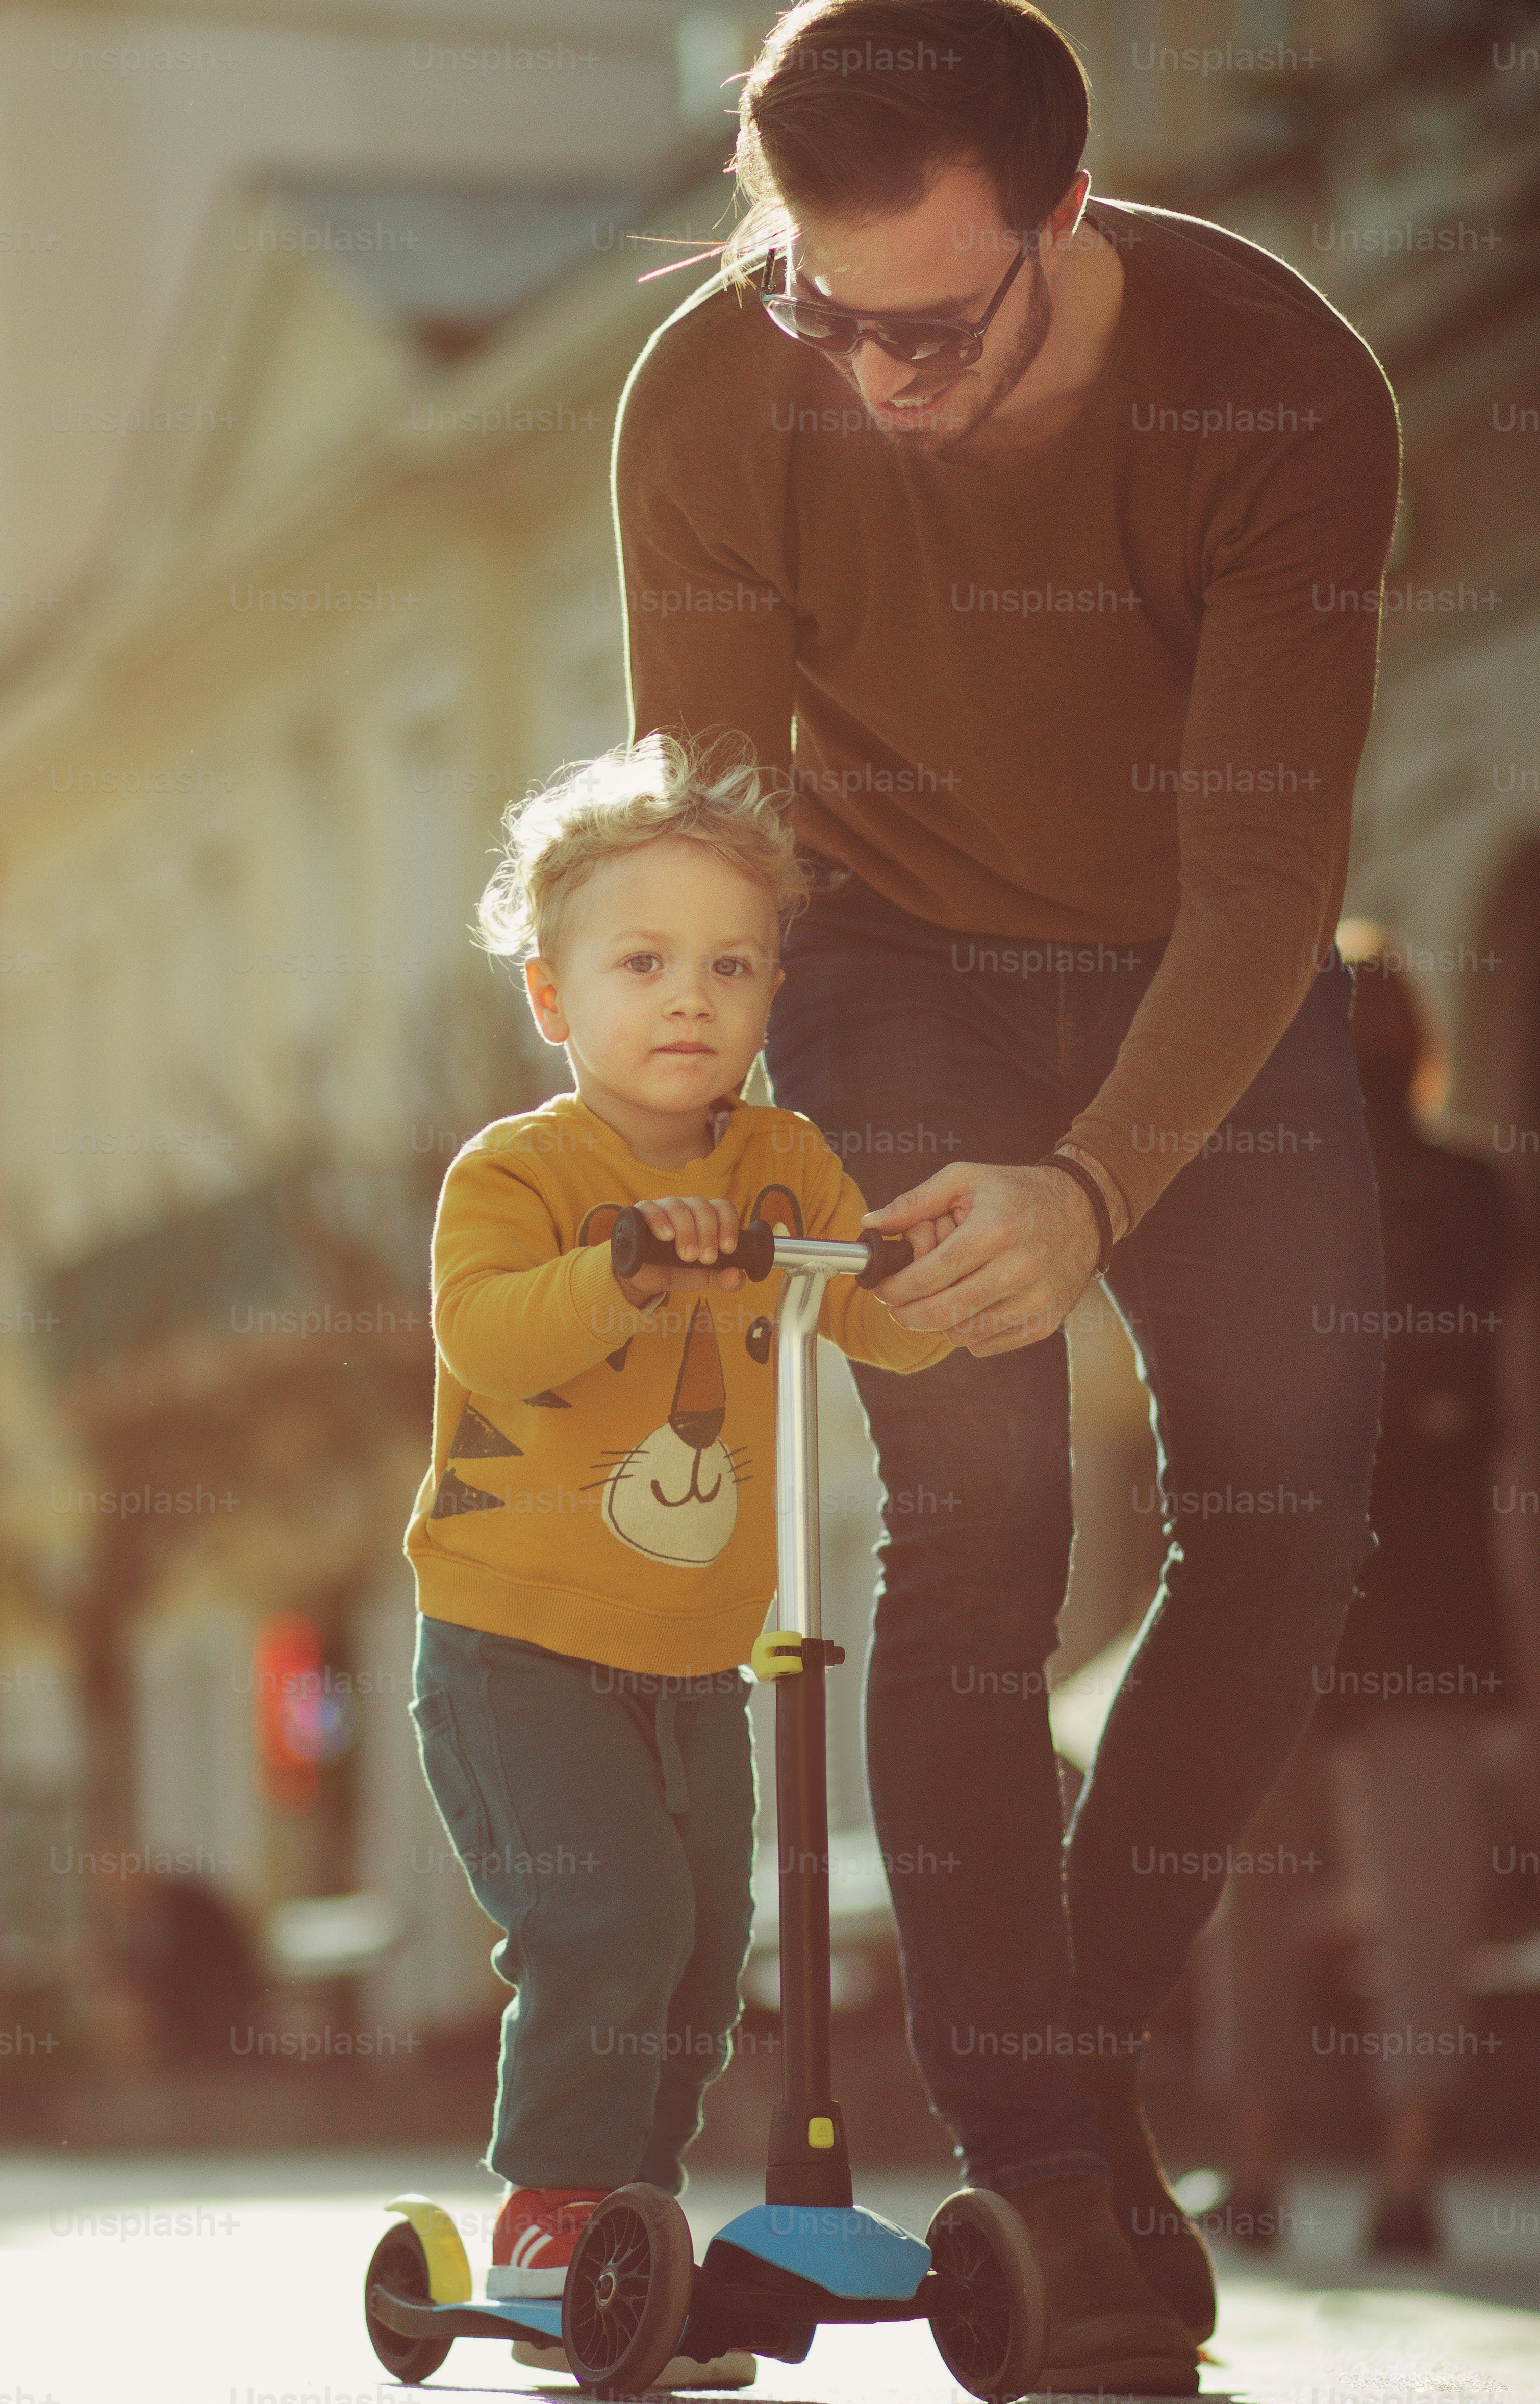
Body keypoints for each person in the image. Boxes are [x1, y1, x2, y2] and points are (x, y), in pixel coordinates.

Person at [615, 2, 1403, 2385]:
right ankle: (1049, 2161)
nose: (870, 380)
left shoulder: (1282, 388)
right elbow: (719, 832)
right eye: (818, 307)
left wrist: (1096, 1179)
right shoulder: (711, 395)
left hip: (1203, 973)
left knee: (1288, 1516)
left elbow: (1264, 876)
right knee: (976, 1520)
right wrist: (683, 1150)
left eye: (932, 331)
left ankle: (1068, 2063)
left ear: (1066, 211)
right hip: (895, 968)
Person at [404, 732, 958, 2391]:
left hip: (700, 1655)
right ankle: (556, 2218)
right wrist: (630, 1268)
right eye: (642, 964)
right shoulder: (519, 1173)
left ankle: (629, 2233)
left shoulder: (781, 1161)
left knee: (709, 1948)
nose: (690, 1000)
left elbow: (877, 1316)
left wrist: (945, 1278)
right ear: (553, 996)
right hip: (516, 1647)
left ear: (774, 986)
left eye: (731, 965)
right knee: (613, 1919)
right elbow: (493, 1341)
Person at [1195, 935, 1514, 2264]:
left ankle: (1256, 2167)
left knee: (1255, 1886)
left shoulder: (1263, 1187)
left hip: (1289, 1580)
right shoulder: (1477, 1191)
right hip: (1434, 1591)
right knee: (1426, 1896)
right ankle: (1410, 2174)